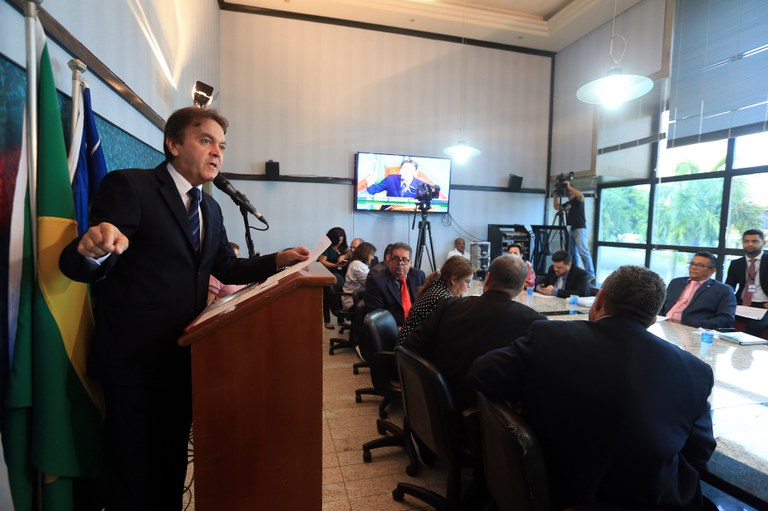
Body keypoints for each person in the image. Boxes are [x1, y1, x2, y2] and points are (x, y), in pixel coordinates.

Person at [58, 107, 310, 511]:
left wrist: (277, 260)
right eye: (206, 141)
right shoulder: (132, 186)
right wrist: (93, 250)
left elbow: (225, 267)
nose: (217, 153)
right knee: (131, 474)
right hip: (134, 364)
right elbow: (83, 259)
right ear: (174, 144)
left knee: (171, 466)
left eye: (222, 145)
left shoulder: (210, 207)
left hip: (185, 356)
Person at [468, 265, 716, 510]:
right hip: (648, 498)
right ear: (653, 318)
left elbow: (481, 373)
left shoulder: (550, 336)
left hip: (549, 486)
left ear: (599, 300)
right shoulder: (694, 371)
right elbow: (700, 454)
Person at [402, 255, 546, 411]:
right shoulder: (535, 322)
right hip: (494, 415)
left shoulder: (448, 305)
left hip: (438, 401)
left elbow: (410, 346)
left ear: (488, 278)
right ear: (521, 287)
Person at [396, 255, 475, 345]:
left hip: (411, 345)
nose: (469, 286)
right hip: (409, 349)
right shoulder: (441, 298)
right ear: (454, 280)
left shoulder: (438, 288)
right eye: (467, 281)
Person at [661, 251, 736, 329]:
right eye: (692, 264)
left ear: (712, 270)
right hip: (663, 325)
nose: (693, 267)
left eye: (700, 265)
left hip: (691, 329)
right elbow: (661, 305)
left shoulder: (723, 290)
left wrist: (691, 325)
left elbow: (726, 320)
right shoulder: (676, 282)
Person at [363, 242, 426, 326]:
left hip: (418, 325)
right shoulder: (376, 281)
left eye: (405, 260)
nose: (400, 263)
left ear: (410, 262)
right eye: (396, 259)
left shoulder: (418, 275)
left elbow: (424, 304)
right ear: (389, 260)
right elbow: (377, 318)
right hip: (395, 327)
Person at [725, 228, 768, 336]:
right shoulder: (736, 263)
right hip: (741, 303)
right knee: (722, 318)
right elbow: (729, 287)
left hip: (764, 305)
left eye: (754, 241)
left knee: (755, 326)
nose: (750, 244)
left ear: (763, 243)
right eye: (746, 241)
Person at [553, 180, 595, 279]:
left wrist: (569, 187)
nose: (568, 192)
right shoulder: (568, 203)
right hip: (570, 228)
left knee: (583, 251)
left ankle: (590, 273)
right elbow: (557, 207)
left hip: (579, 228)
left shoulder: (578, 200)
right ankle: (574, 271)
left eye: (569, 191)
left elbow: (580, 195)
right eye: (567, 191)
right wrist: (555, 196)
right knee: (572, 253)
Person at [319, 226, 350, 329]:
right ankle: (327, 321)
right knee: (327, 296)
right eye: (338, 241)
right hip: (326, 272)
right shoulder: (326, 246)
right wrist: (335, 265)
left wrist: (343, 256)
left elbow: (348, 253)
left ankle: (341, 319)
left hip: (339, 273)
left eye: (341, 240)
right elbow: (322, 261)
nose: (340, 243)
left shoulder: (343, 244)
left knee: (340, 294)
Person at [341, 241, 376, 310]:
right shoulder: (356, 264)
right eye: (372, 254)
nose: (373, 257)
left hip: (359, 299)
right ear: (366, 254)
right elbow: (370, 283)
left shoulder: (359, 264)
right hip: (353, 302)